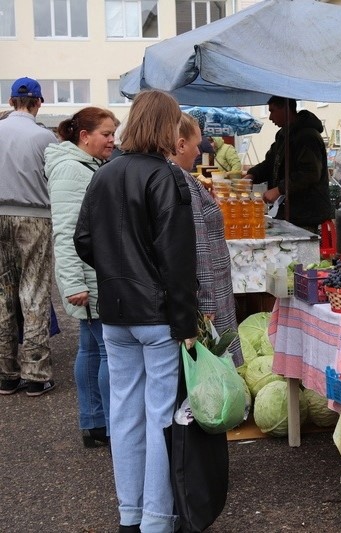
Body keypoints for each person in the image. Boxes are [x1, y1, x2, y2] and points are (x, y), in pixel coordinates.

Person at [74, 90, 198, 533]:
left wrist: (115, 273)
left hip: (115, 311)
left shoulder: (104, 174)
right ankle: (157, 520)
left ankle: (131, 515)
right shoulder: (166, 177)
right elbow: (178, 259)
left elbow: (83, 240)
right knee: (160, 417)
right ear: (167, 127)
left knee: (124, 415)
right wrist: (186, 322)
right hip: (157, 314)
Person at [45, 107, 118, 448]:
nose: (112, 140)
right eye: (106, 134)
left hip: (93, 272)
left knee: (90, 347)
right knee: (105, 351)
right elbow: (66, 232)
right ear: (84, 136)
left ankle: (95, 423)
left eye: (113, 133)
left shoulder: (86, 165)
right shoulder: (72, 171)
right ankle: (112, 424)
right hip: (88, 277)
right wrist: (74, 283)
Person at [0, 77, 58, 396]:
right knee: (33, 291)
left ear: (10, 102)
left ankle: (5, 373)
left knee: (2, 293)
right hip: (34, 216)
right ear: (38, 103)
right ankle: (35, 373)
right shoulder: (44, 138)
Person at [171, 112, 243, 366]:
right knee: (214, 361)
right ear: (180, 145)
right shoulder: (183, 182)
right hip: (209, 290)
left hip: (208, 286)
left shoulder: (179, 178)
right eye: (196, 145)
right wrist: (207, 303)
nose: (198, 153)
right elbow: (198, 244)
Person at [246, 96, 333, 233]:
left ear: (286, 109)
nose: (270, 117)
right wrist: (252, 175)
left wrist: (279, 189)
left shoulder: (308, 136)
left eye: (272, 111)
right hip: (288, 210)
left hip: (306, 213)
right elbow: (270, 163)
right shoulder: (283, 135)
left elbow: (309, 173)